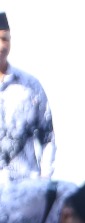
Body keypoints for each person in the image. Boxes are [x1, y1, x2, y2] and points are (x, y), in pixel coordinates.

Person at [0, 14, 55, 184]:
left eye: (5, 39)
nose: (1, 46)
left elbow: (47, 136)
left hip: (25, 186)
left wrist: (44, 179)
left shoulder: (29, 86)